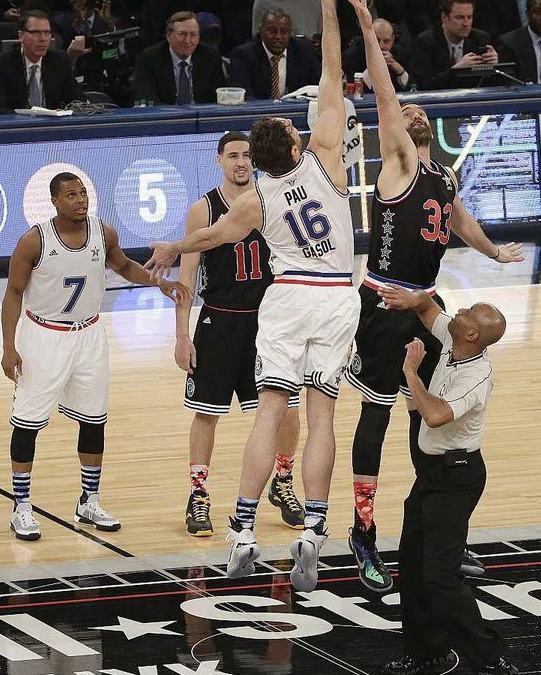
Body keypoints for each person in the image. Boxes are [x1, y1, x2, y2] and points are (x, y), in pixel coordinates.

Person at [146, 0, 357, 594]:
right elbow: (335, 77)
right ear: (295, 145)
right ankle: (313, 531)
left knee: (269, 413)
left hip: (284, 298)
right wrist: (333, 14)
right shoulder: (324, 162)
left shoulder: (255, 200)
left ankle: (241, 529)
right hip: (335, 296)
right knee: (319, 418)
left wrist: (170, 246)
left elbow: (211, 236)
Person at [345, 0, 525, 594]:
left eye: (416, 109)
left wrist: (494, 251)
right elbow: (382, 92)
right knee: (376, 414)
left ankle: (434, 532)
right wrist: (368, 29)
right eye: (406, 109)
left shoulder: (440, 177)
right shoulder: (396, 164)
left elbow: (459, 217)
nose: (411, 112)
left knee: (433, 416)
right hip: (384, 304)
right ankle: (362, 533)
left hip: (426, 305)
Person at [1, 172, 188, 541]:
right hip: (43, 335)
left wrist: (159, 282)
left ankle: (89, 500)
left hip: (89, 334)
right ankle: (21, 506)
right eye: (71, 195)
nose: (80, 199)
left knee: (94, 420)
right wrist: (9, 347)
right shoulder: (33, 241)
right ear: (54, 202)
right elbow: (13, 293)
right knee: (27, 423)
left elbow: (123, 266)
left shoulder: (104, 232)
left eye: (83, 192)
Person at [375, 282, 515, 675]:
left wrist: (410, 374)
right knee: (413, 567)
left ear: (473, 335)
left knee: (440, 576)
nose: (461, 311)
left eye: (469, 312)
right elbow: (427, 310)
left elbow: (435, 415)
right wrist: (410, 298)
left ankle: (489, 657)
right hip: (432, 475)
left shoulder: (478, 375)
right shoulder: (455, 341)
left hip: (457, 478)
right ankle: (427, 653)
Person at [175, 131, 305, 538]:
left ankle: (282, 482)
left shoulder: (273, 197)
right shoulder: (204, 208)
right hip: (219, 320)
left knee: (286, 409)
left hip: (269, 321)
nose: (241, 162)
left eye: (247, 155)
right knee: (207, 413)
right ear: (218, 161)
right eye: (232, 155)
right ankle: (198, 495)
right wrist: (181, 335)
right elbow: (187, 276)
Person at [0, 9, 85, 112]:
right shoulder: (1, 63)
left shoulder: (59, 60)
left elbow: (77, 101)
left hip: (51, 124)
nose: (43, 39)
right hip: (17, 125)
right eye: (36, 33)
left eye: (46, 32)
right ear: (21, 36)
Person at [132, 11, 226, 105]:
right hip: (166, 116)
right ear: (169, 36)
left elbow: (219, 96)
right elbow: (147, 98)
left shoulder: (211, 57)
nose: (188, 41)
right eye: (182, 34)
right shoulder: (149, 58)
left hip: (202, 115)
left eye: (193, 35)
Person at [227, 7, 320, 101]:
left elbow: (317, 88)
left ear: (290, 33)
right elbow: (243, 96)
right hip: (259, 112)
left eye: (284, 32)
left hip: (295, 111)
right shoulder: (243, 55)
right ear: (261, 31)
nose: (278, 36)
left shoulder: (305, 51)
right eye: (272, 31)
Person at [411, 0, 498, 91]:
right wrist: (456, 70)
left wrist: (494, 67)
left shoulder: (481, 39)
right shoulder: (425, 42)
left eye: (469, 17)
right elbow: (424, 85)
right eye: (460, 18)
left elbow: (489, 84)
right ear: (444, 17)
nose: (466, 23)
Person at [341, 17, 411, 92]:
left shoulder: (400, 53)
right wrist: (373, 67)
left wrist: (398, 68)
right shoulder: (352, 55)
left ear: (393, 39)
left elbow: (412, 87)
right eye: (376, 40)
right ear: (366, 37)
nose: (381, 46)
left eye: (386, 41)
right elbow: (354, 91)